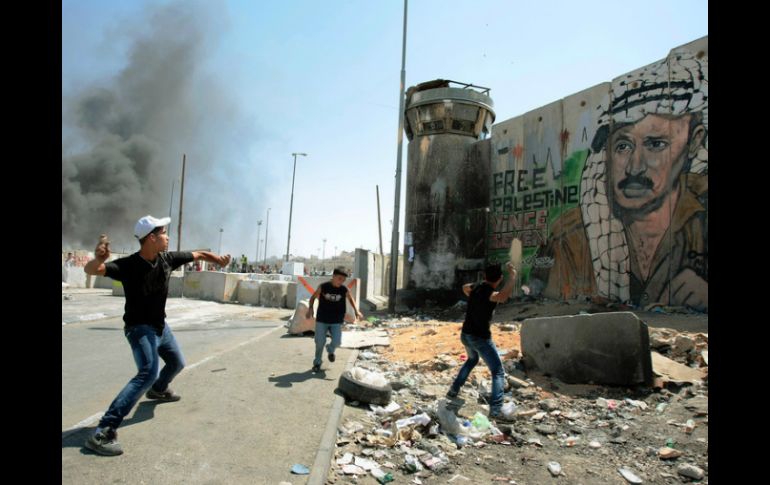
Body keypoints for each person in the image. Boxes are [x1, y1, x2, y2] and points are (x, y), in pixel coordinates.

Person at [531, 52, 708, 311]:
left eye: (656, 144)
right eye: (623, 146)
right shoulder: (569, 237)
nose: (635, 167)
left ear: (693, 142)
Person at [82, 215, 231, 456]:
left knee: (176, 362)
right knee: (147, 371)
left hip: (161, 328)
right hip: (139, 328)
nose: (167, 237)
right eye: (163, 233)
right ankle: (104, 431)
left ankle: (159, 390)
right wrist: (97, 259)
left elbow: (200, 254)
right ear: (151, 237)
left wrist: (218, 260)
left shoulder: (167, 259)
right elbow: (93, 270)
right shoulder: (128, 265)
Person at [446, 262, 516, 421]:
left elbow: (465, 287)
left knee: (472, 359)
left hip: (466, 334)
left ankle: (453, 390)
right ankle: (496, 410)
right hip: (479, 338)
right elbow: (503, 297)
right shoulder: (490, 293)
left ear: (485, 276)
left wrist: (479, 284)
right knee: (498, 371)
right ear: (499, 279)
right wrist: (513, 278)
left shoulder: (476, 288)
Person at [306, 267, 364, 372]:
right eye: (339, 278)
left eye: (343, 280)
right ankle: (317, 363)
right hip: (322, 319)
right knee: (319, 342)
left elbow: (351, 299)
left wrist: (356, 311)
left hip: (336, 320)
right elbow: (313, 297)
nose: (341, 281)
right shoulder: (323, 287)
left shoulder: (344, 289)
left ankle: (330, 349)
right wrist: (310, 308)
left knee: (337, 341)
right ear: (333, 276)